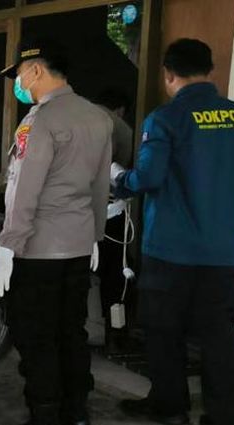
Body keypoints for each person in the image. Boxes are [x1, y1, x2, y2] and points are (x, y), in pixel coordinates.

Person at [113, 38, 234, 425]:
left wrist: (119, 180)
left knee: (164, 329)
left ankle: (169, 407)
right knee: (219, 331)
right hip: (221, 248)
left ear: (168, 75)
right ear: (210, 71)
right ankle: (228, 416)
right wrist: (233, 229)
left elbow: (149, 177)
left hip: (170, 248)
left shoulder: (165, 119)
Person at [0, 39, 113, 425]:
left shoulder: (38, 122)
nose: (18, 84)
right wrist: (95, 236)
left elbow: (25, 188)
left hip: (38, 249)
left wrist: (7, 246)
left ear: (36, 71)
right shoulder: (98, 117)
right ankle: (77, 419)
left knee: (37, 337)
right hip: (78, 247)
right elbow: (100, 185)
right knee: (71, 334)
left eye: (19, 76)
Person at [92, 87, 136, 353]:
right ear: (121, 109)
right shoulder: (120, 127)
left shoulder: (76, 117)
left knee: (77, 274)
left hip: (73, 215)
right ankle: (115, 336)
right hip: (111, 214)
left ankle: (74, 333)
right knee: (116, 276)